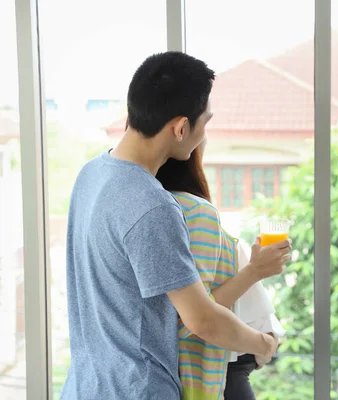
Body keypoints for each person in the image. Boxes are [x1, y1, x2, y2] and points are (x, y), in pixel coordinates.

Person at [60, 52, 290, 400]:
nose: (204, 134)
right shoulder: (152, 205)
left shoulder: (90, 174)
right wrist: (262, 342)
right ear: (181, 128)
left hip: (84, 387)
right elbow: (202, 320)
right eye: (205, 123)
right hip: (139, 391)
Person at [156, 147, 289, 400]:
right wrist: (263, 343)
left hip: (225, 366)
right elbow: (196, 318)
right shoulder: (195, 212)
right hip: (219, 371)